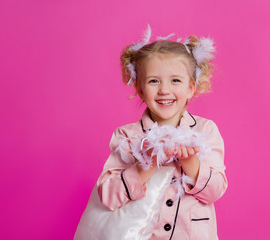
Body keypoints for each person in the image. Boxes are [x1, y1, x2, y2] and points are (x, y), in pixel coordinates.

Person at [97, 26, 227, 239]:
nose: (164, 90)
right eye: (153, 81)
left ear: (191, 88)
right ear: (140, 89)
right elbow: (108, 196)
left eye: (175, 80)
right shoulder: (126, 136)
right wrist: (147, 163)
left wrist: (191, 163)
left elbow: (215, 191)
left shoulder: (206, 130)